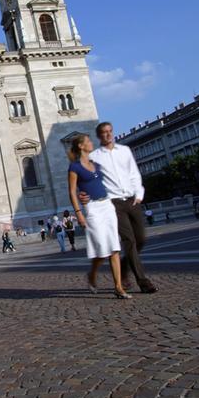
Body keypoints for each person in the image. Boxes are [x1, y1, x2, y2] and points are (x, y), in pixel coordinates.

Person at [86, 122, 157, 294]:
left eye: (110, 131)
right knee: (129, 241)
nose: (108, 135)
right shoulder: (94, 157)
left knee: (141, 238)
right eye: (104, 132)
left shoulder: (124, 151)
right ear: (99, 136)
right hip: (113, 203)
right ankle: (143, 281)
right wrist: (85, 195)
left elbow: (134, 172)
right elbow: (90, 180)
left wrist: (139, 194)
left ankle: (124, 266)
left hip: (132, 200)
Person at [68, 133, 131, 299]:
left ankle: (118, 287)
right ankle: (92, 275)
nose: (91, 143)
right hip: (92, 209)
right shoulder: (74, 167)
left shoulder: (96, 163)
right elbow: (72, 192)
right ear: (81, 146)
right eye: (88, 141)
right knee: (102, 250)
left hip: (106, 205)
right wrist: (79, 213)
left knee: (114, 247)